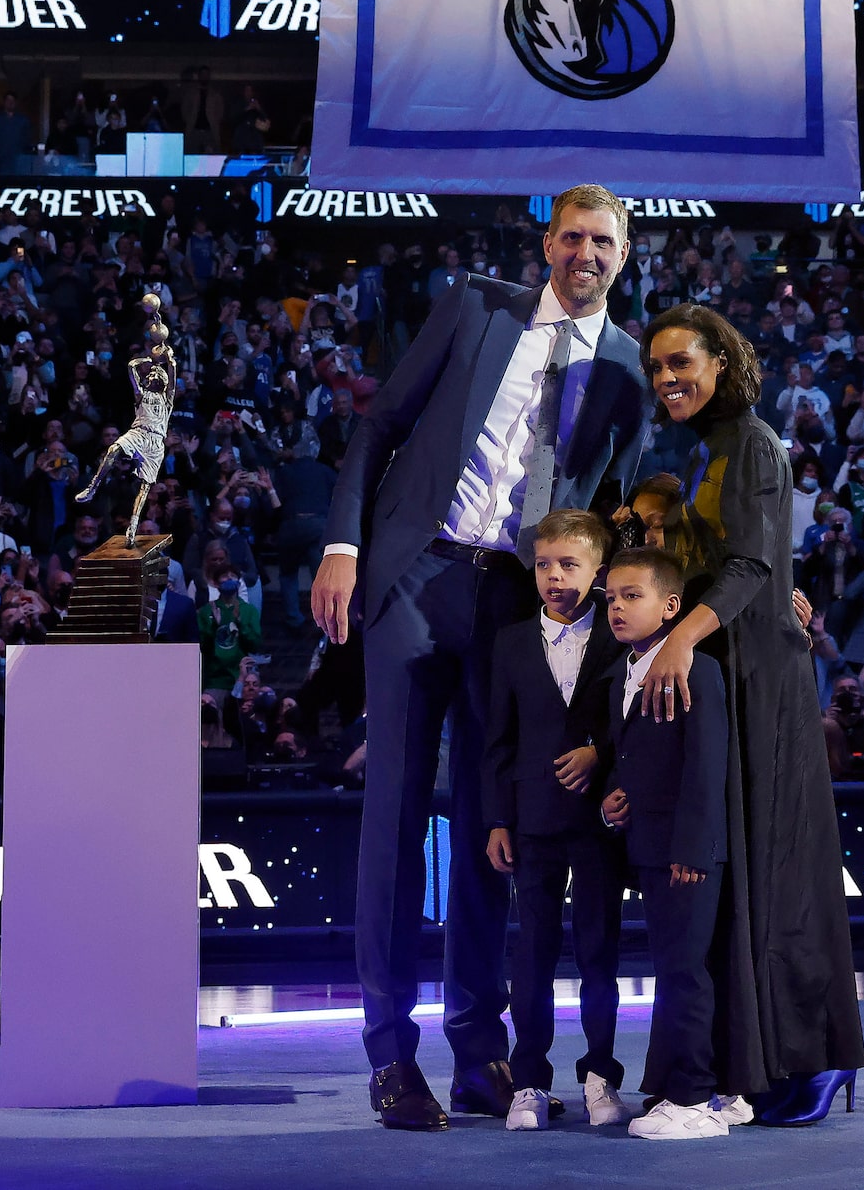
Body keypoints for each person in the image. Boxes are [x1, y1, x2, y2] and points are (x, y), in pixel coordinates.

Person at [310, 184, 653, 1132]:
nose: (586, 254)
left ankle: (476, 1049)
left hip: (516, 599)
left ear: (623, 258)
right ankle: (388, 1054)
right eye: (573, 237)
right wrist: (342, 544)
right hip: (418, 575)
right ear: (547, 243)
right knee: (395, 814)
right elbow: (379, 426)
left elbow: (614, 507)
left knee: (487, 830)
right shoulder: (475, 306)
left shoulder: (626, 365)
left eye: (603, 243)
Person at [632, 304, 864, 1124]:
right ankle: (746, 1065)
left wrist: (680, 641)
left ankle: (812, 1061)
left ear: (720, 364)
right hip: (731, 664)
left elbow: (752, 561)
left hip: (760, 678)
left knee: (777, 872)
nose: (666, 379)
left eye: (680, 364)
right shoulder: (702, 452)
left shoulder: (755, 444)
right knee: (739, 871)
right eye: (656, 368)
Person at [481, 508, 627, 1131]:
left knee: (599, 954)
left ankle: (600, 1075)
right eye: (543, 564)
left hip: (600, 824)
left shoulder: (621, 636)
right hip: (532, 822)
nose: (554, 575)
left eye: (569, 564)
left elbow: (637, 724)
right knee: (532, 958)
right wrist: (497, 821)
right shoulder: (510, 642)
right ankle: (529, 1082)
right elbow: (498, 741)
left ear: (598, 571)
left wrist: (603, 756)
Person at [598, 547, 731, 1140]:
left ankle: (696, 1100)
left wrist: (691, 850)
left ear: (671, 605)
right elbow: (626, 755)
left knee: (686, 972)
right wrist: (610, 796)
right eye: (610, 599)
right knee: (671, 969)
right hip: (647, 846)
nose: (617, 608)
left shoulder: (697, 668)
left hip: (685, 854)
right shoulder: (621, 672)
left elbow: (706, 766)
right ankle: (671, 1087)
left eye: (632, 596)